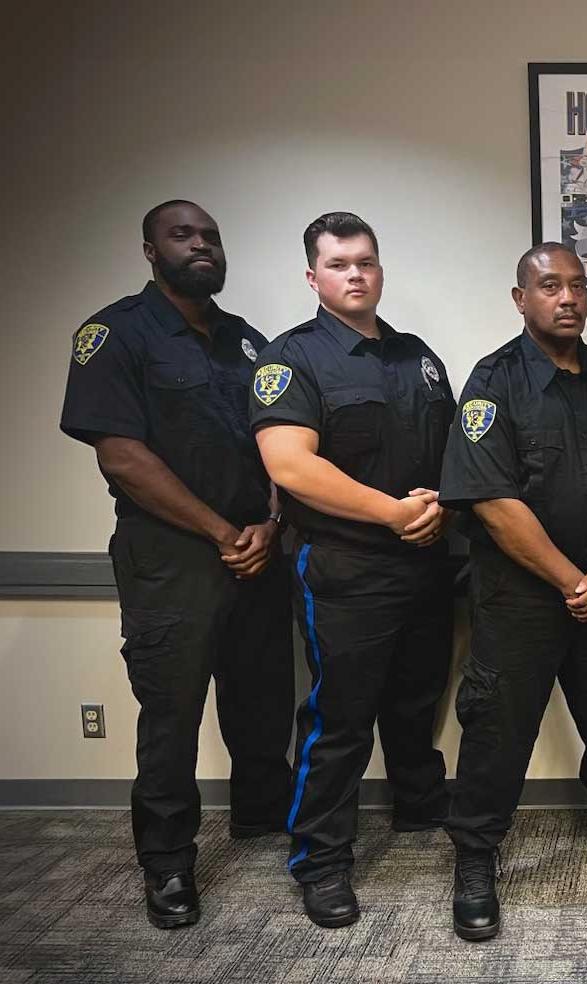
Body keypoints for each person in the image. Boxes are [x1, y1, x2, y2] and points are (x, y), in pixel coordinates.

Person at [59, 200, 293, 929]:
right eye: (182, 235)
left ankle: (262, 818)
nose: (200, 245)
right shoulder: (115, 335)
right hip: (171, 558)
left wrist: (271, 523)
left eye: (211, 236)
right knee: (172, 715)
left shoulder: (247, 343)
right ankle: (167, 865)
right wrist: (224, 530)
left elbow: (282, 442)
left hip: (257, 551)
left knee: (261, 697)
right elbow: (122, 456)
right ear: (150, 250)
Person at [439, 243, 587, 943]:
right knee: (499, 725)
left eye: (578, 285)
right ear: (521, 299)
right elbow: (491, 500)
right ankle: (477, 857)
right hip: (521, 597)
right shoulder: (495, 382)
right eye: (550, 285)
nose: (568, 297)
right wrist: (573, 579)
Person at [250, 212, 455, 929]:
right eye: (339, 264)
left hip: (428, 561)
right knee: (340, 720)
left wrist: (435, 509)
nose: (355, 274)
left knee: (416, 697)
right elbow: (290, 464)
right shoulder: (292, 359)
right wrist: (393, 513)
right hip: (347, 566)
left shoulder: (416, 356)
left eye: (365, 261)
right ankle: (322, 859)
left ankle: (420, 805)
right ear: (314, 277)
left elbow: (450, 448)